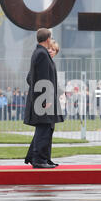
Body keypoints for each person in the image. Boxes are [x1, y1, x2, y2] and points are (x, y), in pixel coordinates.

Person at [24, 28, 64, 168]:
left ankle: (43, 158)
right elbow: (42, 79)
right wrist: (45, 98)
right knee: (44, 128)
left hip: (45, 98)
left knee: (47, 128)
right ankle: (39, 160)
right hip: (44, 100)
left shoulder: (41, 53)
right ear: (48, 39)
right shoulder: (41, 54)